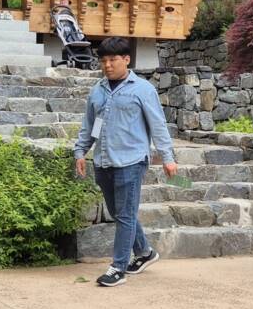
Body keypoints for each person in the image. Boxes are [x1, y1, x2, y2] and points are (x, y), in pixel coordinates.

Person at [73, 37, 178, 288]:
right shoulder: (97, 90)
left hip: (131, 161)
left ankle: (117, 267)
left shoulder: (143, 89)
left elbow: (158, 125)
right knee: (121, 213)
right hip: (104, 160)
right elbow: (90, 125)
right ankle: (145, 253)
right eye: (104, 60)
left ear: (126, 60)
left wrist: (168, 157)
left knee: (125, 215)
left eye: (113, 60)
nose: (107, 65)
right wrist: (80, 151)